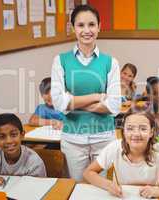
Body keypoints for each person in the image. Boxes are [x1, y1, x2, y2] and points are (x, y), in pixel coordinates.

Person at [51, 4, 121, 181]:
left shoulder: (111, 62)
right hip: (72, 138)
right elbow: (59, 103)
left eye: (91, 24)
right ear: (73, 28)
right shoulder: (60, 61)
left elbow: (114, 106)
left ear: (99, 27)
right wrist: (97, 96)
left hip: (104, 137)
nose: (86, 30)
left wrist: (73, 102)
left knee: (102, 189)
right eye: (81, 25)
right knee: (76, 187)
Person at [83, 110, 159, 199]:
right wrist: (108, 185)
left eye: (143, 129)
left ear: (151, 132)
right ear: (123, 131)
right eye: (130, 128)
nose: (136, 134)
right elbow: (88, 172)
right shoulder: (114, 147)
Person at [0, 113, 46, 186]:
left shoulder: (34, 162)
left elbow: (40, 190)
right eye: (2, 136)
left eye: (13, 135)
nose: (8, 141)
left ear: (22, 135)